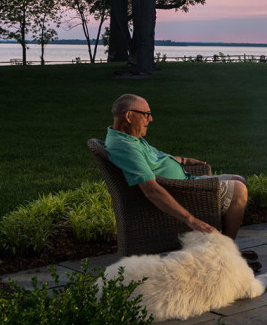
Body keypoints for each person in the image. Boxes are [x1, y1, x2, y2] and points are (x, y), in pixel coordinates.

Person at [105, 94, 259, 268]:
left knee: (239, 179)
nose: (151, 119)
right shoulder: (126, 147)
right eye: (146, 114)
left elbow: (158, 159)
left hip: (186, 181)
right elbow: (151, 190)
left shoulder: (129, 138)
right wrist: (191, 220)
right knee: (238, 190)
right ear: (129, 116)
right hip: (181, 193)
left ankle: (221, 250)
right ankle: (227, 259)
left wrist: (185, 161)